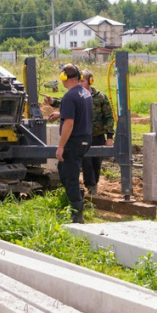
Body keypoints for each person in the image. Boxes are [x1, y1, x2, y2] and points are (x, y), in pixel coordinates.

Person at [46, 69, 114, 196]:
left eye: (83, 81)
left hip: (97, 135)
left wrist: (109, 136)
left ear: (90, 81)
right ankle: (91, 186)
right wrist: (53, 102)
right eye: (80, 80)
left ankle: (93, 184)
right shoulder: (76, 94)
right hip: (83, 135)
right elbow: (66, 105)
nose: (80, 83)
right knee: (86, 163)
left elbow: (109, 117)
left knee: (96, 163)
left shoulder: (100, 97)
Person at [54, 64, 92, 223]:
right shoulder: (85, 93)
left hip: (74, 141)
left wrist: (61, 146)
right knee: (63, 169)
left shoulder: (69, 96)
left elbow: (69, 123)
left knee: (70, 176)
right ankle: (77, 198)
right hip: (85, 139)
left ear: (64, 77)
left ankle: (77, 216)